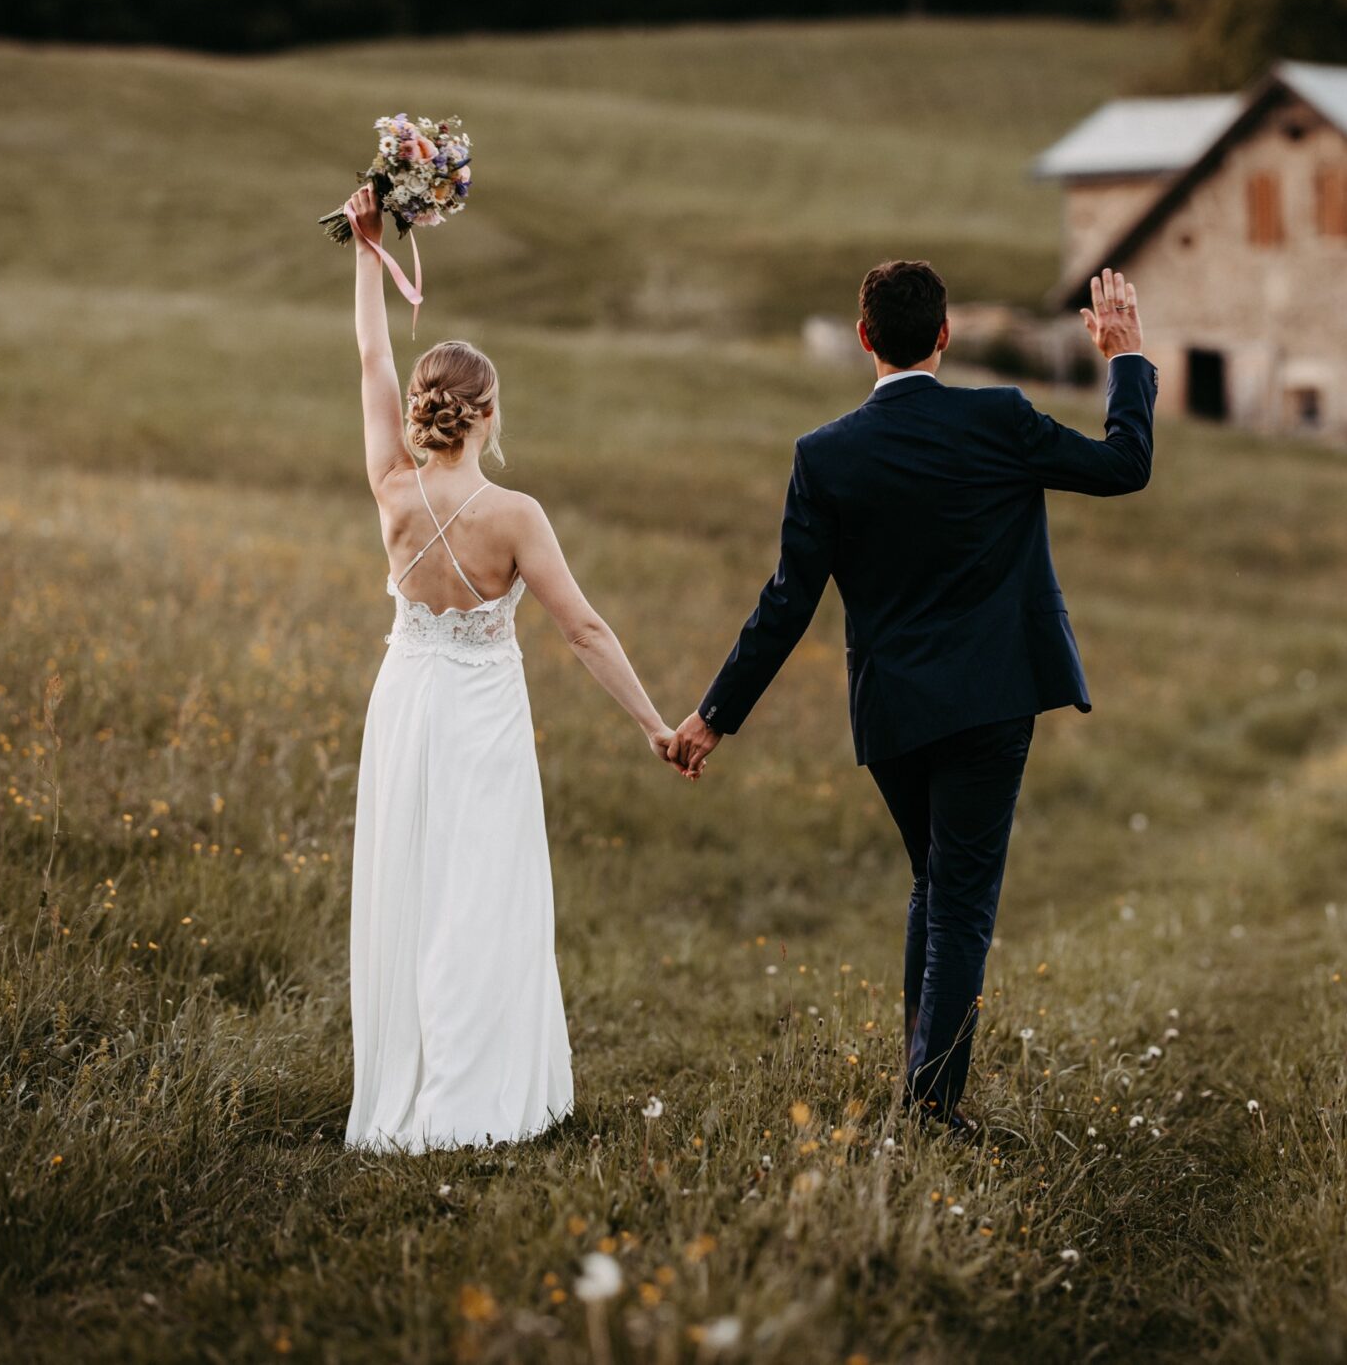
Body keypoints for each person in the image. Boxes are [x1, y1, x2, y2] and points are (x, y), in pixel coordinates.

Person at [671, 261, 1157, 1136]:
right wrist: (1124, 357)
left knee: (935, 886)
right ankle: (932, 1107)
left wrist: (714, 715)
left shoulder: (825, 455)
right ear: (945, 336)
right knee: (960, 896)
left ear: (865, 340)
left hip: (892, 715)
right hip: (992, 701)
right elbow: (1124, 465)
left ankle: (920, 1081)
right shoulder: (998, 419)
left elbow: (787, 603)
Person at [338, 181, 690, 1153]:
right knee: (480, 892)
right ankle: (476, 1094)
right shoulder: (515, 516)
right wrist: (655, 724)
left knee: (415, 885)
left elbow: (372, 354)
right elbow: (584, 630)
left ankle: (409, 1086)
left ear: (428, 411)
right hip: (482, 712)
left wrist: (367, 252)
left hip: (406, 701)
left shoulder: (391, 487)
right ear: (486, 414)